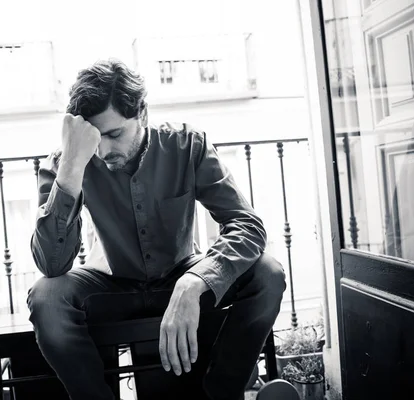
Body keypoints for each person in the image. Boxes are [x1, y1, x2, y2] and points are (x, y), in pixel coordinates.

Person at [28, 59, 286, 400]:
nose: (103, 151)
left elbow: (247, 225)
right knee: (46, 296)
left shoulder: (186, 145)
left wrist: (197, 281)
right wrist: (72, 169)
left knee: (268, 273)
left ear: (143, 115)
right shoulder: (67, 164)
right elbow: (52, 265)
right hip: (111, 289)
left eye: (114, 134)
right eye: (94, 138)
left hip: (183, 275)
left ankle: (219, 395)